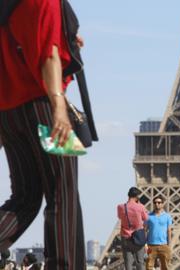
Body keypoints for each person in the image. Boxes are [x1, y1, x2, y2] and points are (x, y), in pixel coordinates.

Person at [0, 0, 88, 268]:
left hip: (8, 112)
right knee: (63, 193)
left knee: (25, 198)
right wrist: (58, 105)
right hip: (44, 107)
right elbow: (49, 55)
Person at [117, 187, 148, 270]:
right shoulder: (140, 207)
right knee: (140, 262)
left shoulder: (120, 207)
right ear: (137, 196)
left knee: (128, 263)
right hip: (138, 237)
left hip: (126, 238)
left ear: (128, 195)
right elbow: (146, 218)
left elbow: (120, 217)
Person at [145, 196, 173, 270]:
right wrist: (145, 245)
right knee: (148, 267)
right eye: (155, 202)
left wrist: (169, 246)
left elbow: (169, 231)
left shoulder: (167, 216)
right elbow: (144, 230)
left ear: (163, 204)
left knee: (166, 267)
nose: (157, 204)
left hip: (163, 245)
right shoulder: (148, 216)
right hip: (151, 245)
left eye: (159, 202)